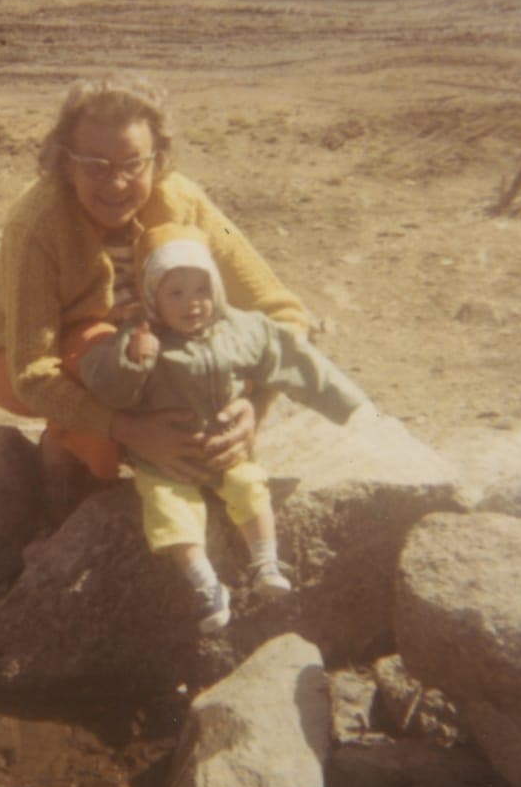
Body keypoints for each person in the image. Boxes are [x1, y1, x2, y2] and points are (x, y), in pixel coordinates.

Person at [0, 74, 314, 522]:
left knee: (211, 343)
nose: (115, 184)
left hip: (137, 346)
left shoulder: (188, 202)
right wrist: (131, 431)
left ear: (158, 160)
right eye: (95, 164)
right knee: (104, 349)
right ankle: (69, 466)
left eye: (132, 164)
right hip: (13, 360)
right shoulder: (36, 225)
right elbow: (32, 373)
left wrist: (254, 405)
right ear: (65, 163)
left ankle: (172, 464)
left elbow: (281, 310)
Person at [78, 223, 373, 633]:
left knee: (250, 486)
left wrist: (346, 402)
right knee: (169, 512)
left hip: (227, 449)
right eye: (175, 293)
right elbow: (106, 387)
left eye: (201, 289)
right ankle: (205, 584)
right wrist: (133, 359)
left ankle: (266, 562)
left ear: (216, 289)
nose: (192, 303)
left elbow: (289, 356)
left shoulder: (239, 329)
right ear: (152, 299)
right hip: (167, 463)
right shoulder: (141, 339)